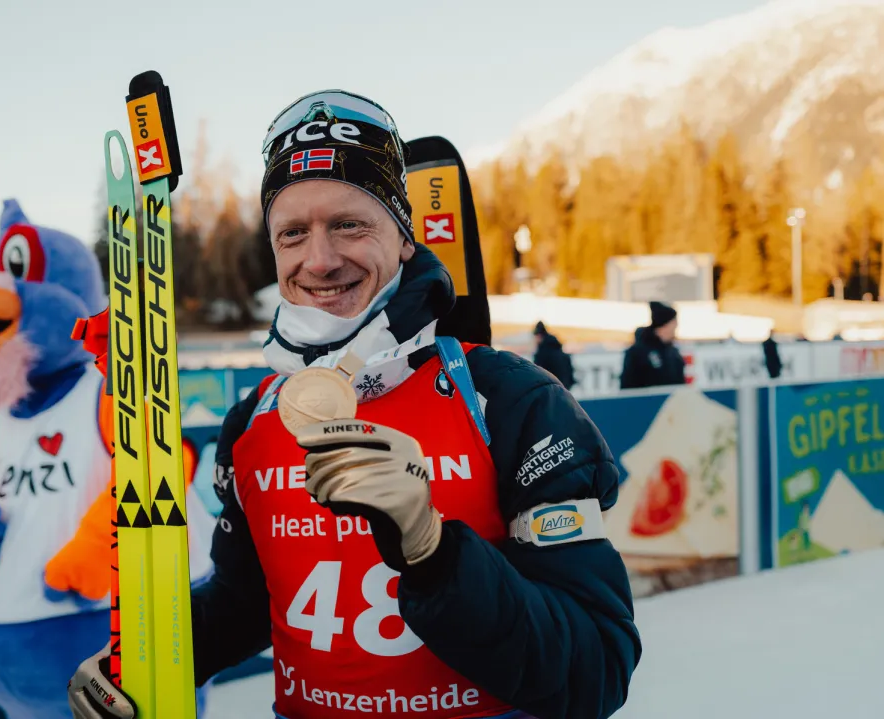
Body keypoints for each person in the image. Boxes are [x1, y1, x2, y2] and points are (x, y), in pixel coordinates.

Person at [69, 90, 641, 719]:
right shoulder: (254, 421)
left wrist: (432, 548)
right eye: (293, 233)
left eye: (349, 224)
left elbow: (596, 671)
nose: (320, 259)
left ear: (402, 238)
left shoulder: (509, 398)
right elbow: (247, 605)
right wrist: (138, 665)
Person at [619, 300, 686, 390]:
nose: (675, 328)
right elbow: (628, 387)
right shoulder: (638, 352)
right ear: (663, 326)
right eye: (673, 325)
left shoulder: (673, 353)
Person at [533, 320, 575, 390]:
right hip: (564, 390)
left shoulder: (542, 354)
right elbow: (570, 374)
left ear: (539, 335)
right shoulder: (560, 352)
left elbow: (538, 375)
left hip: (550, 391)